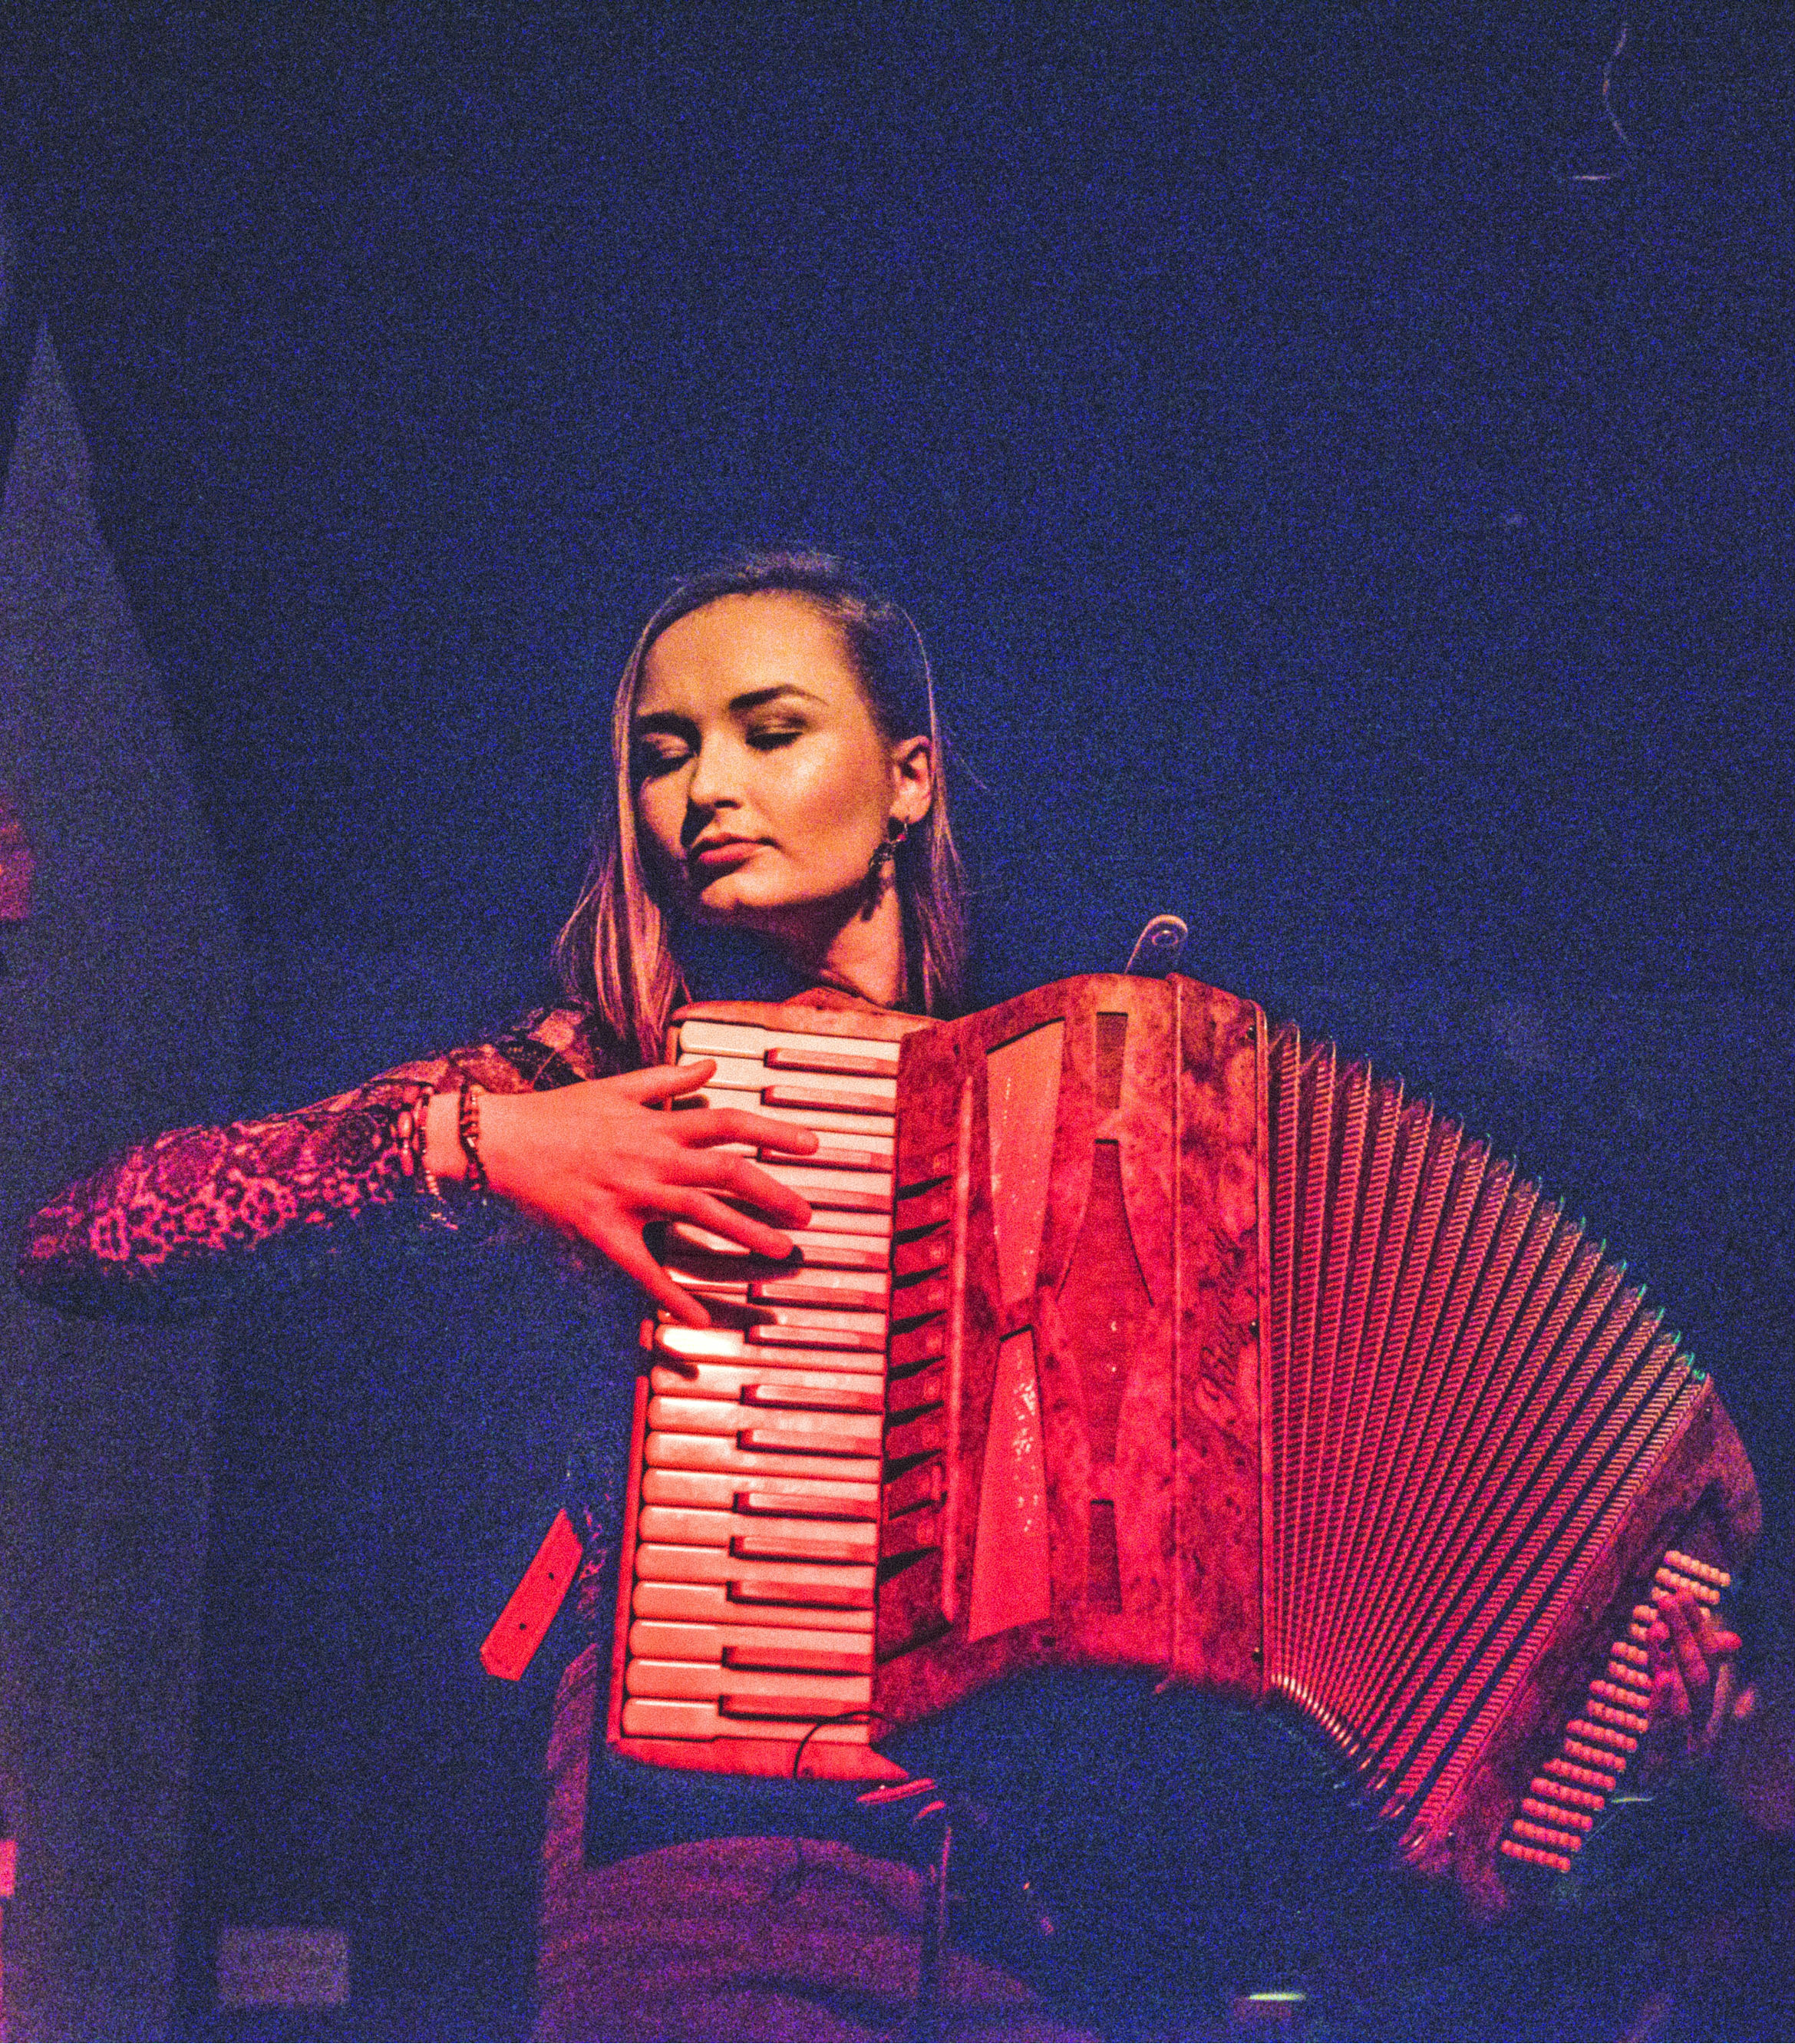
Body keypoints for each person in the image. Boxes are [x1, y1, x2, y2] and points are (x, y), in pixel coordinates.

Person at [15, 546, 1751, 2040]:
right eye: (664, 752)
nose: (706, 788)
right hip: (721, 1890)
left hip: (1066, 1921)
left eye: (771, 732)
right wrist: (476, 1139)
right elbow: (97, 1235)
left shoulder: (1093, 1122)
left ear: (909, 778)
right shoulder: (599, 1070)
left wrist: (1610, 1733)